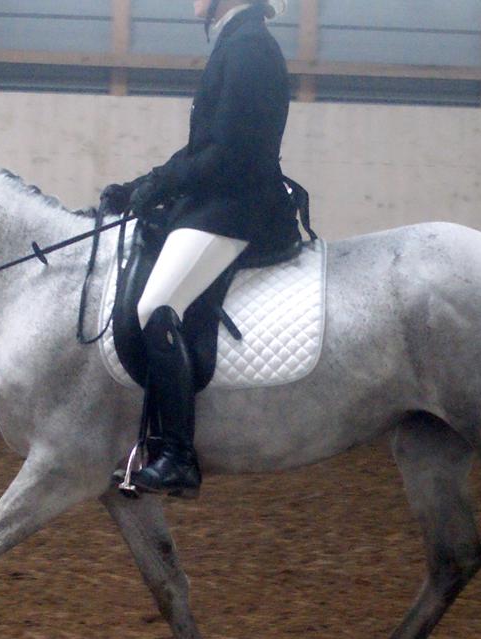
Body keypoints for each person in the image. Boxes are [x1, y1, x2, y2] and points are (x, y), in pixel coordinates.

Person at [102, 0, 299, 498]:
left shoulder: (250, 49)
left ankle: (177, 456)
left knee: (155, 306)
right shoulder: (236, 43)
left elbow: (228, 153)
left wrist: (163, 187)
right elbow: (201, 147)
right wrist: (145, 184)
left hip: (238, 206)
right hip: (218, 200)